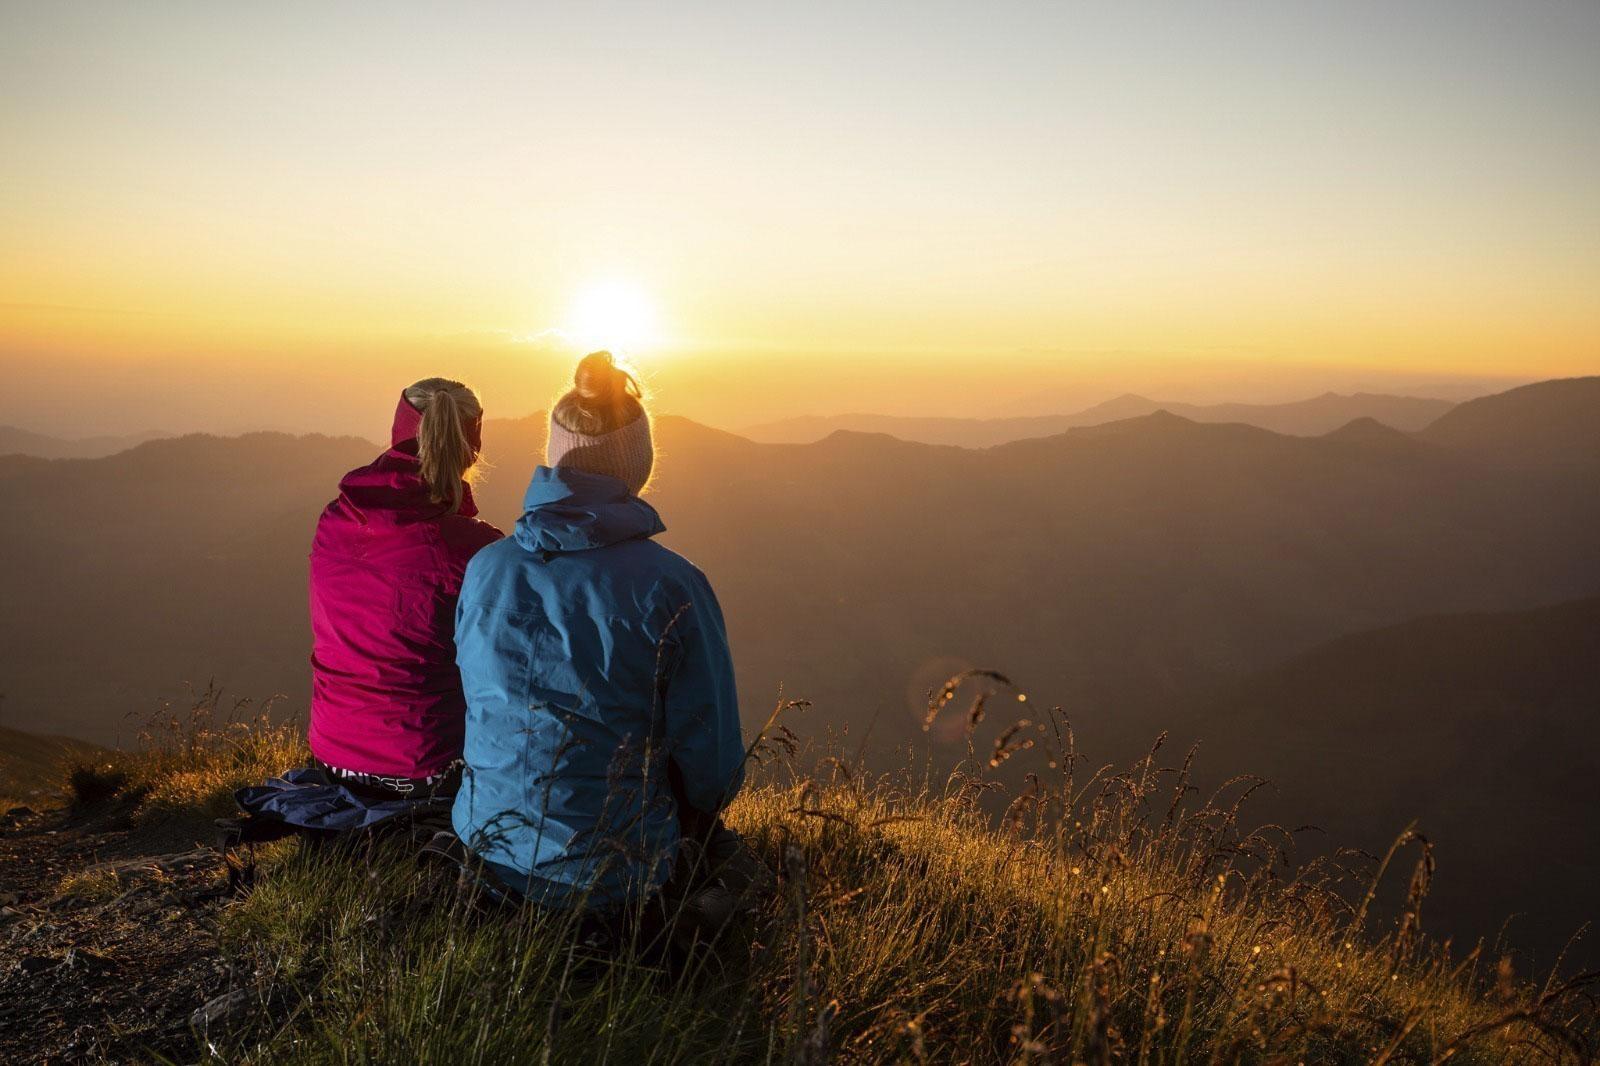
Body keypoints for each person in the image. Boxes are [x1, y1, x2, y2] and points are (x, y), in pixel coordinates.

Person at [451, 352, 753, 921]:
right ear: (636, 462)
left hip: (486, 844)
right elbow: (712, 769)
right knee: (743, 875)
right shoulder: (672, 585)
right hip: (613, 872)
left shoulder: (485, 568)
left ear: (554, 458)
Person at [307, 378, 503, 801]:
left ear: (397, 433)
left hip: (331, 755)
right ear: (473, 447)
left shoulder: (334, 520)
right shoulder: (476, 549)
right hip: (428, 768)